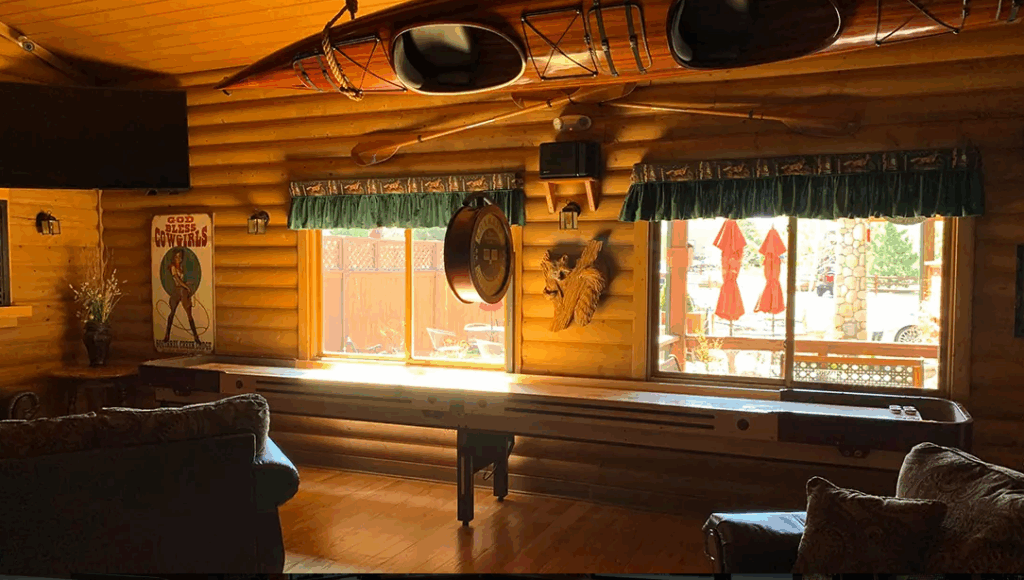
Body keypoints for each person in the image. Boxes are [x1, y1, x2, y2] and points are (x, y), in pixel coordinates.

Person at [163, 248, 202, 344]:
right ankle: (167, 335)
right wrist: (186, 287)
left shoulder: (181, 267)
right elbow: (177, 280)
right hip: (177, 291)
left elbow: (182, 280)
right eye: (176, 257)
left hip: (182, 291)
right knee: (172, 313)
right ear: (173, 258)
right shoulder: (173, 267)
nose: (178, 259)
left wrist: (187, 284)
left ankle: (196, 337)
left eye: (180, 257)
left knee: (189, 315)